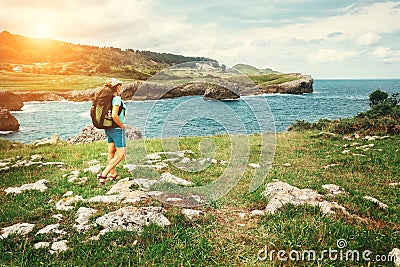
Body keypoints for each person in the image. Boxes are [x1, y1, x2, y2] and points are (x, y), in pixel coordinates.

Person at [97, 78, 126, 186]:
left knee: (111, 151)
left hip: (108, 128)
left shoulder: (109, 99)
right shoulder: (117, 98)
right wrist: (122, 126)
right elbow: (114, 115)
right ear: (117, 87)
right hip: (116, 129)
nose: (121, 87)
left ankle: (113, 174)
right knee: (121, 154)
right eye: (120, 85)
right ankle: (103, 174)